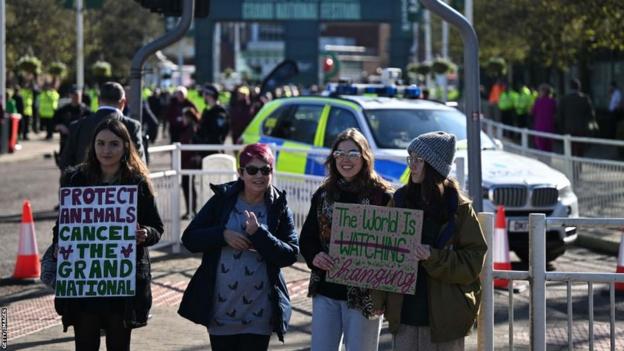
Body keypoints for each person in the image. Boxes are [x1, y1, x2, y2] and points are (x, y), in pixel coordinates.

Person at [52, 118, 164, 350]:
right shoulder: (76, 180)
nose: (106, 150)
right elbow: (62, 226)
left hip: (122, 286)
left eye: (113, 144)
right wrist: (58, 248)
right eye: (100, 143)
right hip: (84, 284)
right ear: (92, 146)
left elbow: (157, 228)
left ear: (125, 146)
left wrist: (145, 233)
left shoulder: (137, 182)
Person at [372, 131, 487, 351]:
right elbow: (382, 252)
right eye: (411, 158)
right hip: (404, 314)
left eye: (418, 160)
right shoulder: (399, 200)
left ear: (435, 167)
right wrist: (378, 300)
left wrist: (432, 256)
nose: (412, 165)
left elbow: (473, 261)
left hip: (446, 318)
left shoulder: (460, 209)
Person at [178, 143, 299, 351]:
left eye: (265, 169)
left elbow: (290, 254)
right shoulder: (222, 200)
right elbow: (189, 239)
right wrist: (222, 235)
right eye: (252, 170)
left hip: (260, 312)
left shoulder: (278, 205)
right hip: (222, 310)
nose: (259, 175)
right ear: (241, 173)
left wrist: (260, 234)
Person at [299, 128, 393, 351]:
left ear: (365, 156)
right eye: (339, 154)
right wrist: (315, 256)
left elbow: (394, 247)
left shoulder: (383, 195)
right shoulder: (323, 194)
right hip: (327, 291)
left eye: (352, 153)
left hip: (366, 295)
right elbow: (307, 238)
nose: (345, 160)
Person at [59, 81, 145, 171]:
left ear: (98, 100)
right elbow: (139, 166)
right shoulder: (132, 126)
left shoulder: (77, 126)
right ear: (123, 102)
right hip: (121, 183)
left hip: (84, 183)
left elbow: (65, 164)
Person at [557, 78, 595, 156]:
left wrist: (561, 129)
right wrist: (590, 130)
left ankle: (571, 168)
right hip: (582, 129)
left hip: (568, 129)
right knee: (580, 152)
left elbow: (560, 116)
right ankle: (578, 167)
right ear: (579, 87)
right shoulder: (585, 98)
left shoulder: (564, 99)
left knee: (570, 151)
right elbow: (591, 116)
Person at [53, 86, 91, 154]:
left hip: (81, 145)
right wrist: (60, 126)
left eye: (77, 95)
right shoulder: (63, 110)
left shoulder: (86, 111)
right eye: (73, 94)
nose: (75, 97)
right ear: (70, 95)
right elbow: (53, 124)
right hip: (66, 143)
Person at [180, 106, 201, 219]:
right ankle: (191, 210)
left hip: (189, 162)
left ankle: (191, 211)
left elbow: (188, 145)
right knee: (188, 186)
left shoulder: (191, 128)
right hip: (188, 161)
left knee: (188, 186)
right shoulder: (191, 127)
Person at [531, 84, 557, 152]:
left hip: (539, 128)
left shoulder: (538, 101)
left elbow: (532, 112)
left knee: (541, 149)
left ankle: (541, 162)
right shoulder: (553, 101)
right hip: (550, 128)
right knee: (549, 149)